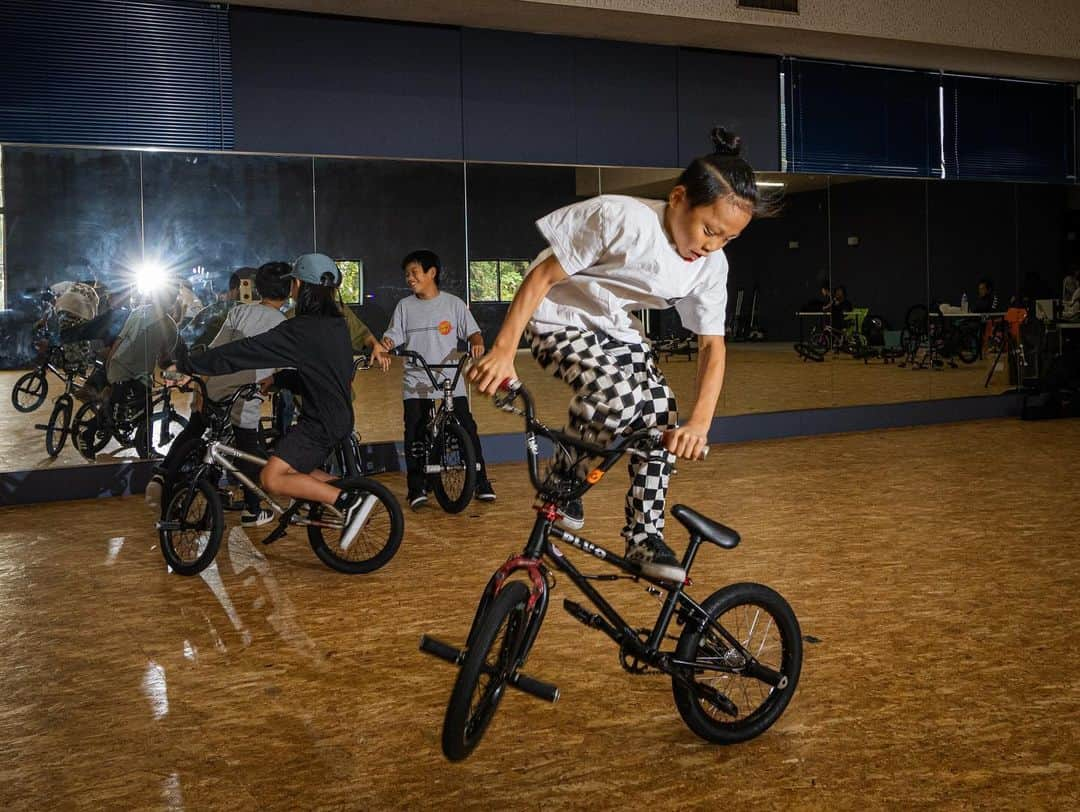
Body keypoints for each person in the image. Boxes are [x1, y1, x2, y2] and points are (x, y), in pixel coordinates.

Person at [469, 126, 770, 581]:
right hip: (555, 315)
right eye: (709, 230)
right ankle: (562, 484)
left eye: (726, 239)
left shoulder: (710, 266)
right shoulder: (622, 219)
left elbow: (712, 345)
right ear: (677, 198)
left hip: (610, 325)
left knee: (662, 411)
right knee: (620, 398)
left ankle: (643, 534)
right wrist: (504, 352)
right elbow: (541, 279)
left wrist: (700, 424)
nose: (711, 246)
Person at [167, 253, 373, 548]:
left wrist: (191, 365)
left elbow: (244, 352)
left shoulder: (301, 329)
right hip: (337, 415)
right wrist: (279, 380)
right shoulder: (335, 325)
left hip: (320, 422)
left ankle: (346, 502)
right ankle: (354, 493)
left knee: (271, 478)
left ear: (298, 285)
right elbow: (323, 375)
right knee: (293, 469)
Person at [146, 262, 292, 526]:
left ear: (257, 288)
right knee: (250, 447)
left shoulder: (239, 313)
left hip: (214, 388)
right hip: (243, 397)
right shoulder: (283, 325)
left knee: (195, 430)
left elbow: (214, 350)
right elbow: (288, 369)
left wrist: (200, 387)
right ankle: (252, 509)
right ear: (290, 290)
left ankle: (162, 475)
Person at [380, 250, 495, 510]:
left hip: (449, 379)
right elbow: (393, 336)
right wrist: (385, 344)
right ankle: (417, 487)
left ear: (432, 273)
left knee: (467, 428)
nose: (409, 278)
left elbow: (473, 333)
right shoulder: (404, 307)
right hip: (417, 380)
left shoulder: (453, 304)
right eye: (407, 274)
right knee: (415, 432)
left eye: (414, 273)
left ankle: (481, 482)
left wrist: (476, 342)